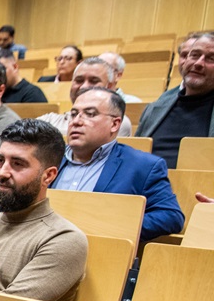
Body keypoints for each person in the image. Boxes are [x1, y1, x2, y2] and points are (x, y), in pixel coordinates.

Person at [52, 87, 184, 242]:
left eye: (90, 114)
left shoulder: (143, 166)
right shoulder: (49, 157)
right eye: (73, 114)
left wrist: (110, 227)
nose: (76, 121)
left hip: (100, 254)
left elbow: (171, 216)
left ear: (114, 124)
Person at [0, 120, 87, 301]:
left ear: (49, 176)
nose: (2, 173)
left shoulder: (64, 239)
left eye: (18, 163)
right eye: (0, 160)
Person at [137, 31, 214, 169]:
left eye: (211, 59)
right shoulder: (154, 108)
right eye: (194, 55)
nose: (198, 63)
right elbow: (133, 155)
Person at [37, 58, 132, 137]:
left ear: (110, 86)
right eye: (79, 80)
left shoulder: (114, 122)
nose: (84, 86)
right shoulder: (49, 120)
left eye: (94, 81)